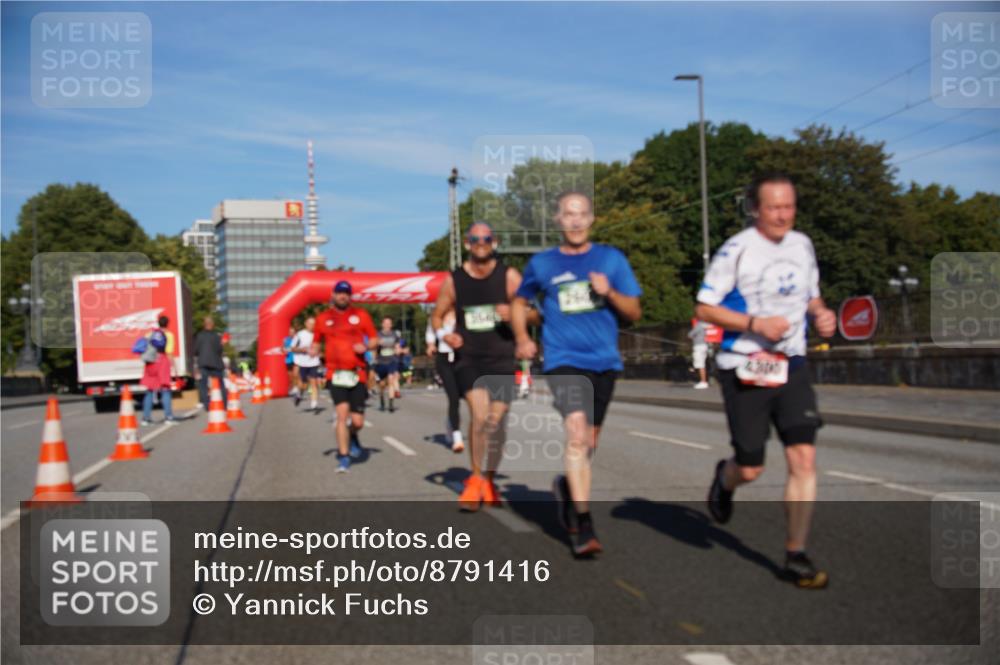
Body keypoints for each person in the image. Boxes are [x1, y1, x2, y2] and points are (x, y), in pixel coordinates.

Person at [696, 173, 836, 589]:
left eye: (789, 206)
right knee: (752, 467)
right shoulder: (737, 250)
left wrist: (820, 313)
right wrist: (754, 322)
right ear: (755, 209)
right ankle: (726, 478)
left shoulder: (803, 245)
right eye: (774, 207)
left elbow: (811, 294)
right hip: (745, 365)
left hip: (790, 363)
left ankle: (796, 554)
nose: (782, 215)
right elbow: (705, 309)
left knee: (803, 458)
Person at [512, 191, 642, 556]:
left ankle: (568, 488)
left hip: (604, 361)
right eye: (568, 214)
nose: (575, 220)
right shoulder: (542, 264)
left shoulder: (610, 259)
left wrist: (610, 292)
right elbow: (519, 302)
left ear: (591, 219)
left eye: (582, 214)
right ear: (558, 219)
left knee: (590, 442)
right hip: (563, 360)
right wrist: (522, 337)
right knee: (576, 434)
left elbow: (634, 312)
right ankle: (584, 525)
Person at [432, 222, 531, 512]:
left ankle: (488, 479)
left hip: (501, 358)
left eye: (486, 238)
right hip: (470, 359)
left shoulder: (509, 276)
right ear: (466, 243)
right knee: (480, 415)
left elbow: (532, 309)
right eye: (475, 239)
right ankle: (474, 479)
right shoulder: (455, 280)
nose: (481, 242)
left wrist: (514, 313)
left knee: (496, 423)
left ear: (494, 242)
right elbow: (437, 316)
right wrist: (444, 334)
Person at [313, 281, 378, 473]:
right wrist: (313, 351)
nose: (343, 296)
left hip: (357, 374)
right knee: (342, 415)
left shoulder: (361, 315)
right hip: (335, 374)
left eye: (346, 293)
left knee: (357, 421)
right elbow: (317, 342)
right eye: (339, 293)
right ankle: (343, 457)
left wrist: (366, 347)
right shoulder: (323, 318)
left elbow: (374, 339)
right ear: (333, 295)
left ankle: (353, 436)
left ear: (350, 296)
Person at [426, 309, 464, 452]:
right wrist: (430, 345)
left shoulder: (462, 312)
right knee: (453, 397)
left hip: (461, 357)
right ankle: (457, 436)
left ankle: (450, 422)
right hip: (444, 358)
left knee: (462, 394)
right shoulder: (437, 315)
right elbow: (430, 331)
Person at [140, 315, 178, 426]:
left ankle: (145, 418)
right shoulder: (169, 335)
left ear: (158, 323)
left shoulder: (150, 334)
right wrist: (174, 366)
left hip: (150, 362)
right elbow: (169, 352)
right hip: (162, 361)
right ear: (167, 323)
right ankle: (168, 417)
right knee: (165, 390)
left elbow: (144, 347)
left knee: (150, 390)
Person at [194, 316, 228, 409]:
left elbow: (196, 350)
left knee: (203, 385)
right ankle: (224, 404)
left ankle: (207, 405)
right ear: (212, 325)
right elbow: (220, 350)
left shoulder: (199, 336)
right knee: (220, 384)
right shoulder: (217, 336)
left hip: (203, 363)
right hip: (216, 363)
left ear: (204, 325)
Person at [291, 317, 322, 411]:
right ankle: (299, 394)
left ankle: (314, 402)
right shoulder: (300, 335)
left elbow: (319, 347)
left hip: (314, 362)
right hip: (302, 362)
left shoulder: (317, 334)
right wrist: (302, 349)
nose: (312, 326)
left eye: (314, 324)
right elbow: (292, 348)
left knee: (314, 382)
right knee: (302, 385)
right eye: (310, 323)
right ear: (306, 324)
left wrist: (318, 352)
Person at [373, 318, 402, 412]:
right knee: (381, 385)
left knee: (391, 380)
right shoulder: (378, 334)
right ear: (382, 324)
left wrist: (398, 350)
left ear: (391, 325)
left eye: (389, 323)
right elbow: (373, 347)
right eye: (385, 323)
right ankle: (382, 400)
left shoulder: (395, 335)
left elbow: (397, 345)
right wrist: (377, 345)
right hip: (381, 362)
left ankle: (391, 404)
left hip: (391, 361)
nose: (387, 325)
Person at [689, 319, 710, 389]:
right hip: (704, 345)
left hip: (699, 346)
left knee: (700, 364)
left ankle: (703, 382)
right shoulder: (706, 325)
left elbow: (690, 334)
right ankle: (703, 381)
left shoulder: (699, 325)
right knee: (701, 364)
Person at [283, 326, 298, 398]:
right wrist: (285, 349)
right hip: (288, 360)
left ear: (295, 333)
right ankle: (292, 389)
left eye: (293, 332)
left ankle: (296, 388)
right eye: (290, 332)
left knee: (295, 375)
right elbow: (282, 349)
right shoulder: (285, 340)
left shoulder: (297, 340)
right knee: (290, 377)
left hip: (297, 360)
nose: (291, 333)